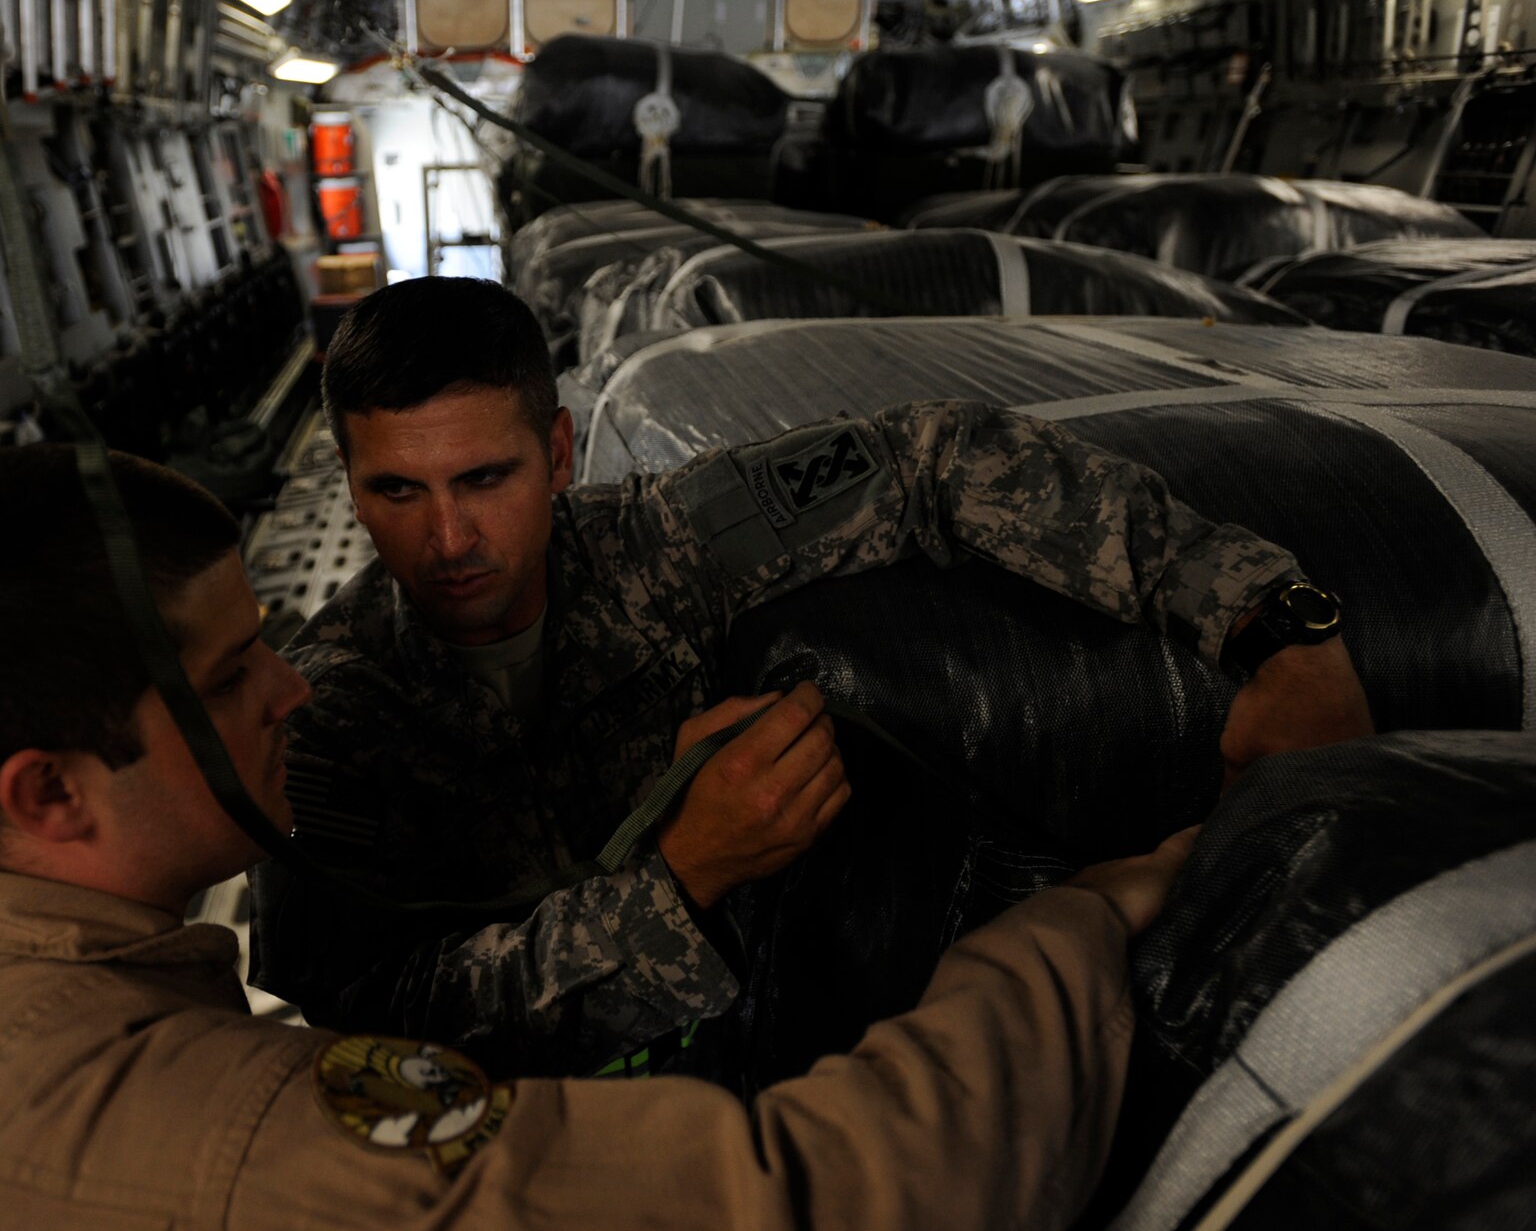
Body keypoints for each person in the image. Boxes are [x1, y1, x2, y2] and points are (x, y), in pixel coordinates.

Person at [0, 442, 1196, 1231]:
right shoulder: (258, 1139)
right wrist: (1073, 928)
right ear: (49, 794)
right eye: (227, 680)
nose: (295, 690)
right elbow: (847, 1189)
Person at [249, 276, 1374, 1077]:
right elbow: (371, 1039)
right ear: (346, 482)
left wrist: (1272, 622)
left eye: (484, 478)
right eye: (397, 492)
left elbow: (938, 458)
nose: (447, 539)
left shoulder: (661, 543)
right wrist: (679, 881)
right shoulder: (325, 719)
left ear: (555, 453)